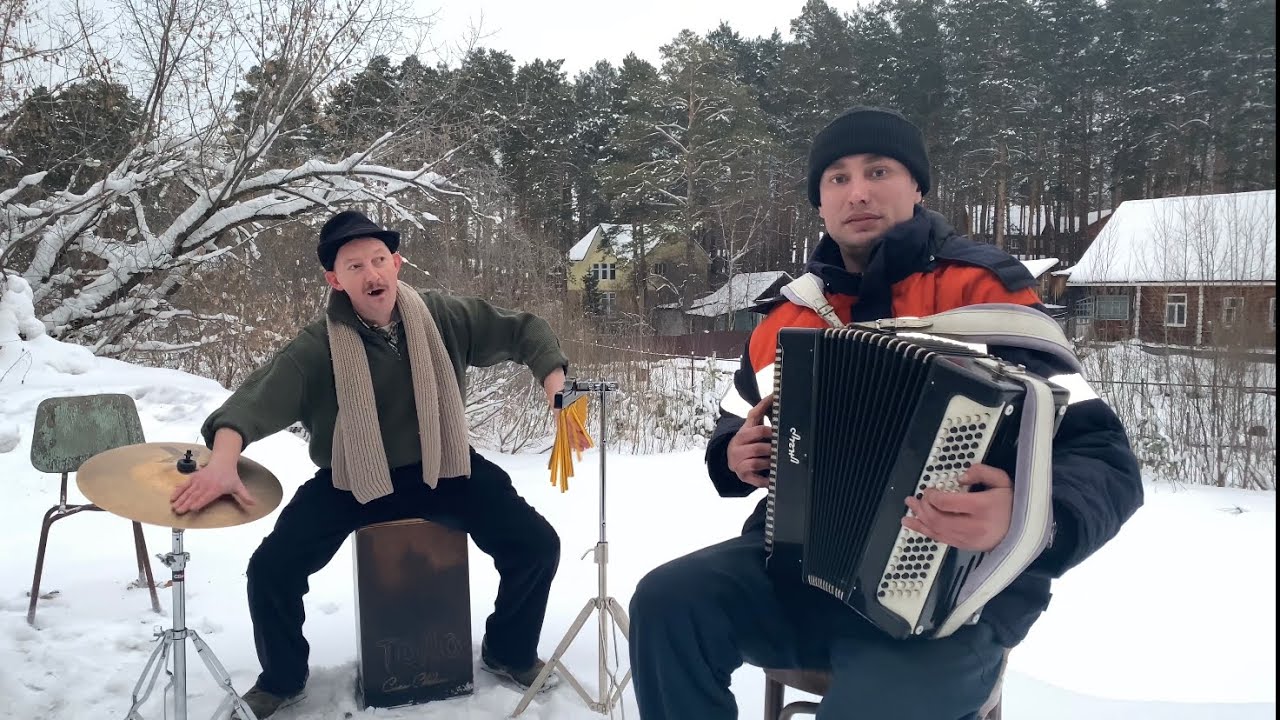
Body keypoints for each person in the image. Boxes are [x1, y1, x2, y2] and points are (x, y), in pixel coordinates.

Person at [627, 107, 1144, 719]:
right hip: (802, 572)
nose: (859, 192)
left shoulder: (986, 292)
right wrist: (733, 455)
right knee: (666, 601)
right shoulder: (786, 317)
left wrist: (1025, 513)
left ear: (917, 186)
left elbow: (1102, 457)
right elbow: (732, 427)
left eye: (879, 170)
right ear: (819, 203)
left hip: (956, 598)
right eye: (837, 178)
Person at [170, 209, 586, 719]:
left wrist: (558, 391)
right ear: (335, 280)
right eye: (354, 266)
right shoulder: (318, 346)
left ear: (397, 264)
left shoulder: (443, 317)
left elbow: (527, 331)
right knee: (271, 571)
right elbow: (248, 405)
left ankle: (508, 651)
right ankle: (282, 679)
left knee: (535, 544)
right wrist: (224, 460)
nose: (371, 274)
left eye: (379, 260)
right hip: (353, 478)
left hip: (445, 467)